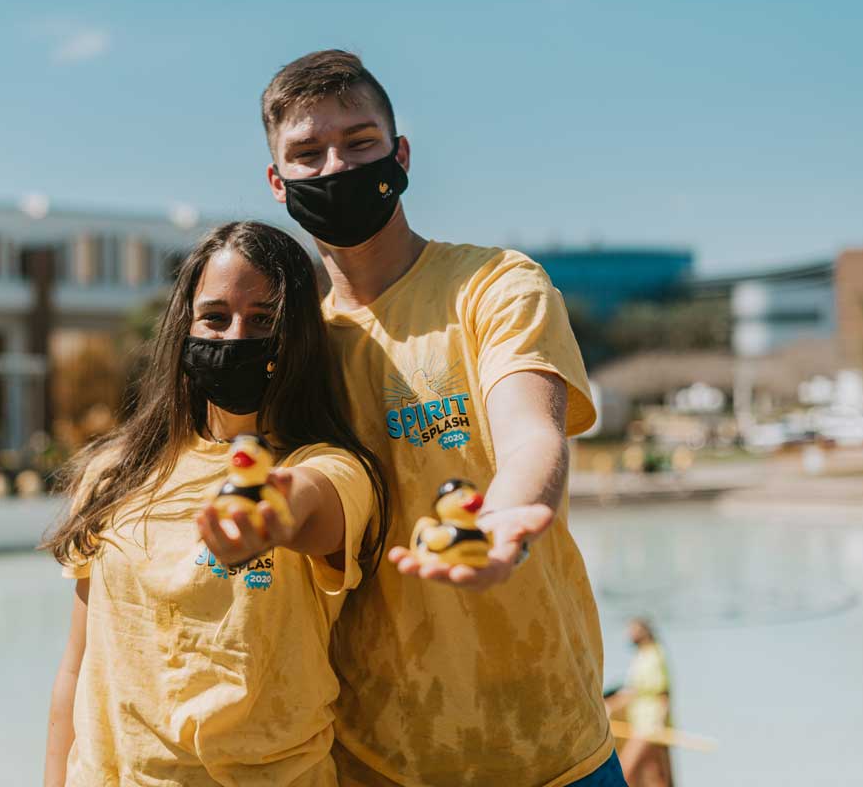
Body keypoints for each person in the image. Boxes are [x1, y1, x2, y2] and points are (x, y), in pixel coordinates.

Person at [260, 50, 625, 786]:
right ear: (277, 183)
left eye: (359, 142)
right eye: (307, 153)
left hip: (551, 747)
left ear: (400, 154)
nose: (336, 166)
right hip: (373, 761)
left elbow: (531, 432)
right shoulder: (287, 344)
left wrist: (508, 520)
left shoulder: (494, 284)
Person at [41, 221, 390, 786]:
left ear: (296, 335)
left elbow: (310, 504)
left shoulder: (328, 466)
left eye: (262, 320)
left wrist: (272, 511)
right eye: (215, 316)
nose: (234, 337)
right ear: (184, 326)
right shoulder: (114, 471)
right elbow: (75, 666)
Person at [605, 619, 674, 787]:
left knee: (626, 771)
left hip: (649, 726)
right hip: (640, 724)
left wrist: (659, 722)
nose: (629, 634)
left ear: (644, 631)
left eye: (633, 630)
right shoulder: (642, 656)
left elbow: (662, 693)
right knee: (655, 777)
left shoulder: (654, 655)